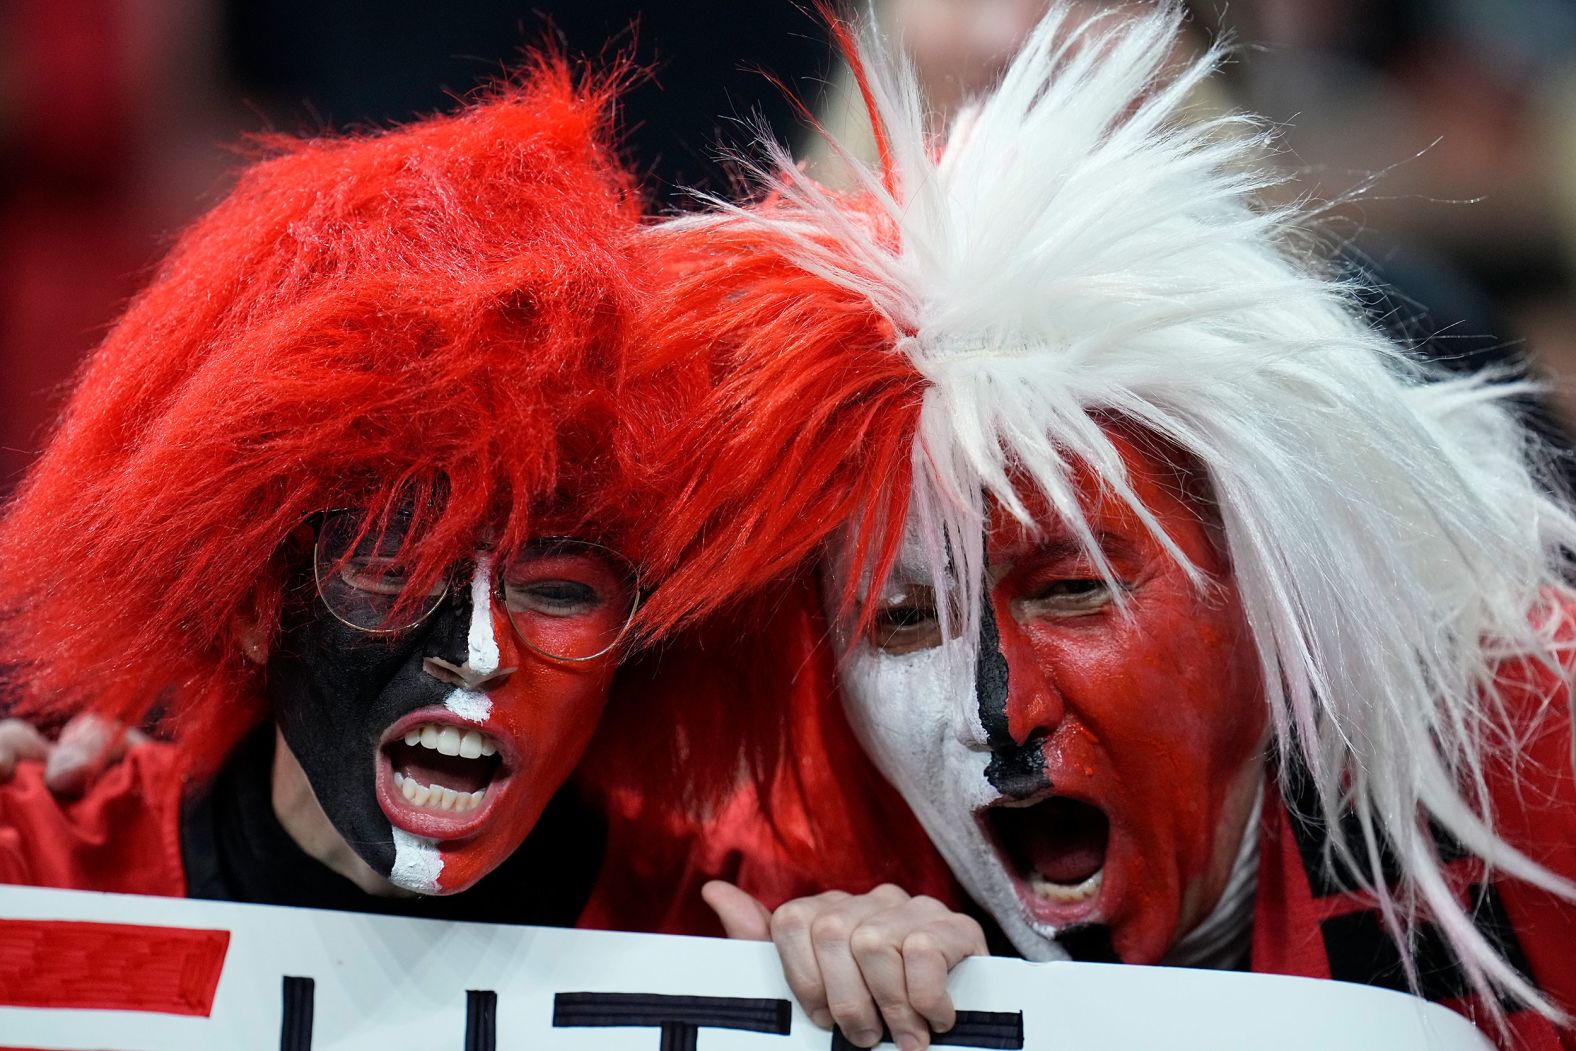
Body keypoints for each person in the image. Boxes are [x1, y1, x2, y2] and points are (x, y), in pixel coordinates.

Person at [634, 4, 1576, 1048]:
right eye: (900, 623)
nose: (1002, 714)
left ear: (1262, 565)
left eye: (1075, 587)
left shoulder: (1536, 743)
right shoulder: (796, 855)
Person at [0, 58, 743, 924]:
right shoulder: (45, 884)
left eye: (558, 589)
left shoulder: (726, 934)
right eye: (392, 568)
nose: (479, 651)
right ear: (250, 602)